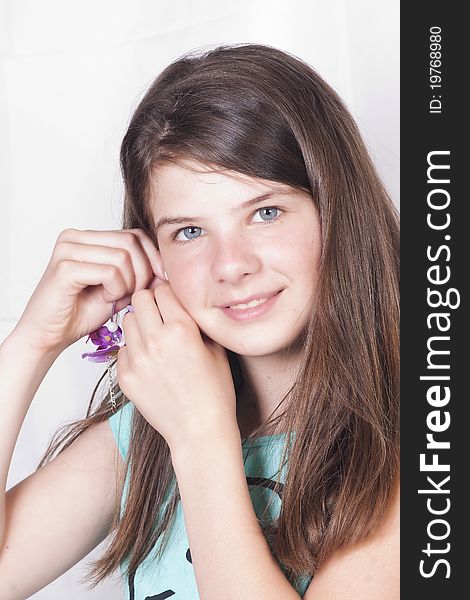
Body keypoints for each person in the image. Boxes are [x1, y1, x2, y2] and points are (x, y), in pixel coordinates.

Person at [0, 44, 399, 599]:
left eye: (266, 212)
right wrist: (30, 343)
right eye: (189, 231)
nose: (231, 265)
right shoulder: (146, 432)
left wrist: (200, 438)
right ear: (153, 256)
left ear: (338, 210)